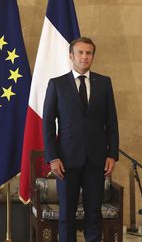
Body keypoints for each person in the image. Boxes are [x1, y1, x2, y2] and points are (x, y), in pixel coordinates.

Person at [43, 37, 119, 242]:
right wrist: (53, 158)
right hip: (66, 161)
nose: (85, 57)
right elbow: (48, 125)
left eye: (89, 53)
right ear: (71, 56)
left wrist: (112, 154)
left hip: (96, 160)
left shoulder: (104, 83)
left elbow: (111, 122)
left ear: (93, 56)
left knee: (93, 214)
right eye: (80, 53)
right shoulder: (57, 84)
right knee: (66, 215)